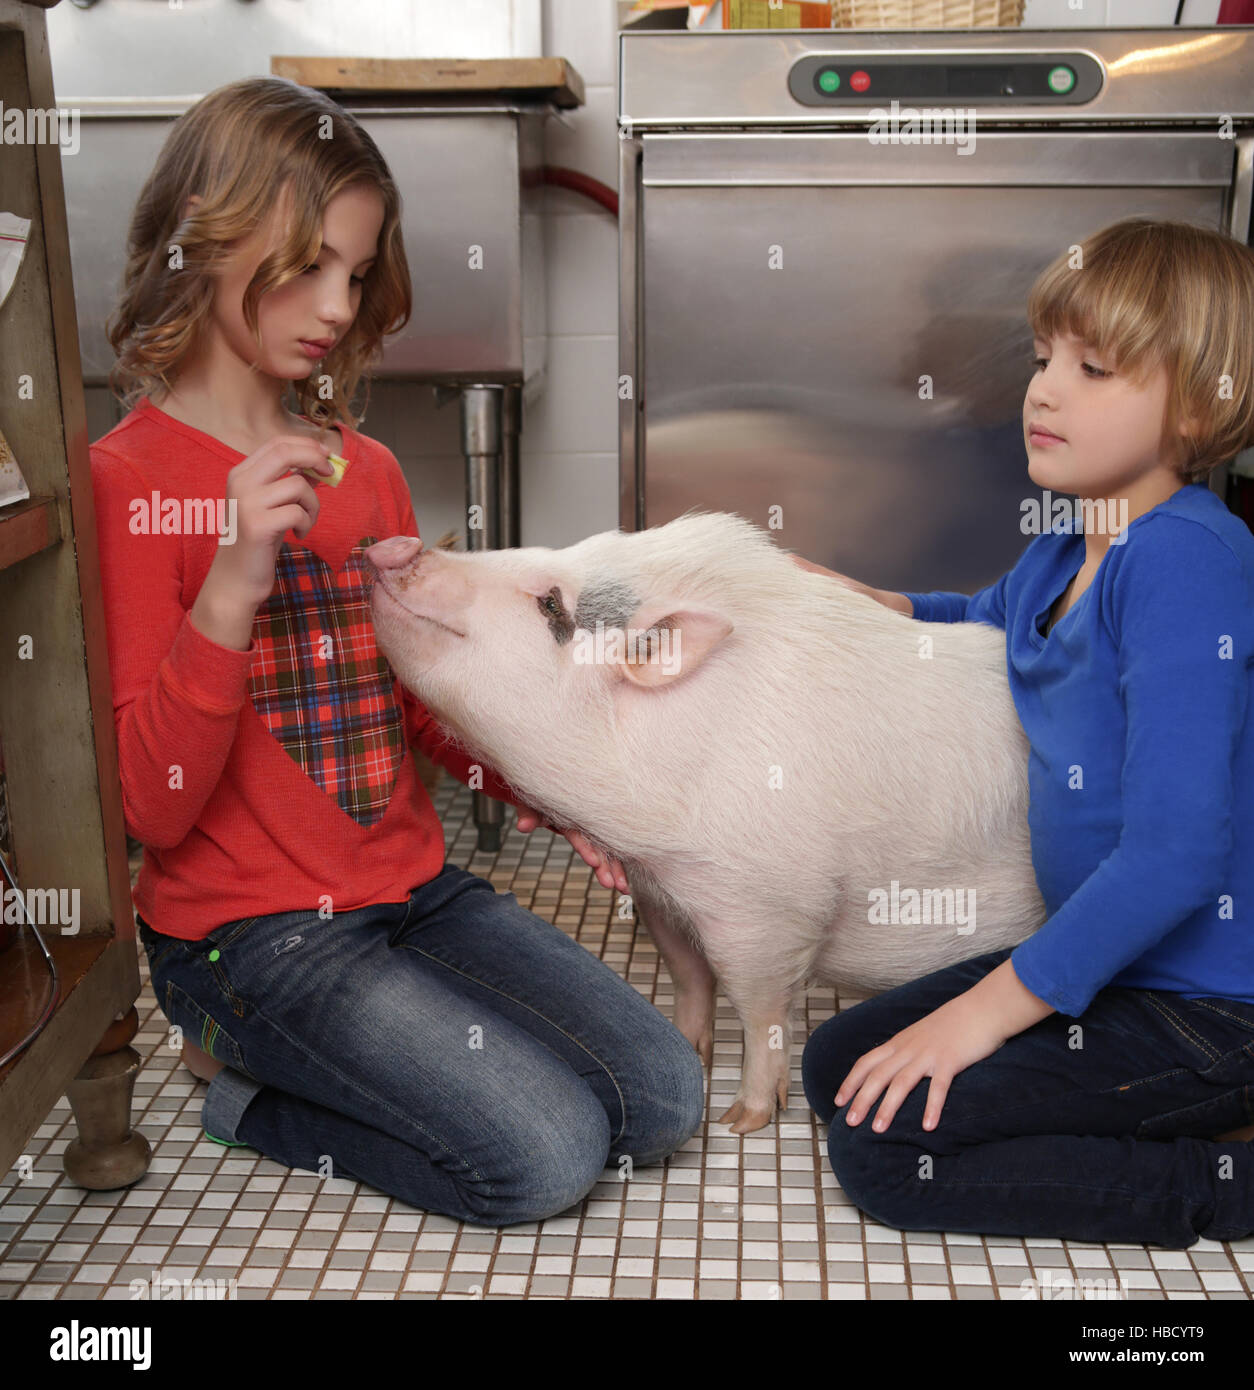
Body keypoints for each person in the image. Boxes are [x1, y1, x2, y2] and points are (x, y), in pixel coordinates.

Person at [92, 76, 703, 1227]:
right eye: (308, 264)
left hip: (410, 895)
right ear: (208, 240)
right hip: (251, 938)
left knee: (661, 1095)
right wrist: (230, 581)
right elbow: (155, 809)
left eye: (359, 274)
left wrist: (538, 791)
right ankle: (234, 1084)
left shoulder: (357, 469)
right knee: (543, 1155)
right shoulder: (126, 484)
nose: (335, 304)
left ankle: (367, 1043)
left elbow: (414, 701)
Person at [797, 217, 1254, 1249]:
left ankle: (1223, 1181)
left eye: (1094, 368)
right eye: (1044, 357)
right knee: (841, 1070)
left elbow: (1183, 855)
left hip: (1215, 1007)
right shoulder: (1065, 547)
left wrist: (988, 1012)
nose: (1042, 390)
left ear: (1199, 404)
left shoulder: (1184, 560)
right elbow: (978, 620)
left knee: (886, 1152)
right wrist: (857, 601)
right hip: (1117, 968)